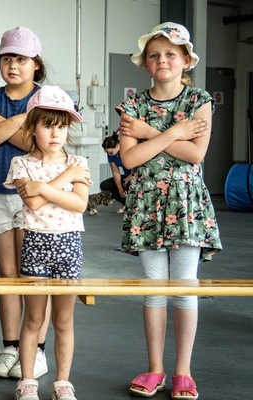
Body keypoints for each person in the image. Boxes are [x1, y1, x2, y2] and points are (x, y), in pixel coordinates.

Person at [117, 22, 222, 400]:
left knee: (185, 289)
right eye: (155, 55)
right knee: (154, 289)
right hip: (146, 202)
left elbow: (196, 154)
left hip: (186, 203)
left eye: (170, 54)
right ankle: (155, 368)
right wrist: (174, 133)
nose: (162, 60)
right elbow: (129, 157)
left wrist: (149, 133)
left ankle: (183, 372)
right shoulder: (132, 104)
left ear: (185, 61)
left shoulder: (199, 100)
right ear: (146, 63)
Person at [0, 26, 53, 379]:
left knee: (34, 276)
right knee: (7, 275)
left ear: (35, 64)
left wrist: (3, 122)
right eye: (7, 59)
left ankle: (38, 350)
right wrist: (20, 126)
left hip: (36, 197)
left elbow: (42, 147)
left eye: (21, 59)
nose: (13, 65)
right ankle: (11, 347)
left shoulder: (48, 99)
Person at [4, 86, 89, 400]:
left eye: (62, 126)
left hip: (69, 246)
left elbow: (80, 204)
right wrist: (63, 179)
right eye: (48, 125)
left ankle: (62, 382)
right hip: (35, 244)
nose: (56, 133)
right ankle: (27, 381)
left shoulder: (79, 162)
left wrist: (44, 187)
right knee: (34, 318)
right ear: (32, 126)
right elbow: (34, 206)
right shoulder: (21, 164)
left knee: (64, 319)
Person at [99, 132, 129, 213]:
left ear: (117, 146)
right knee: (105, 185)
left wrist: (128, 179)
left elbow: (138, 168)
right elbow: (115, 172)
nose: (109, 154)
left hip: (136, 176)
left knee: (127, 183)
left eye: (111, 152)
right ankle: (126, 204)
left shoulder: (126, 150)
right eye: (107, 153)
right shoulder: (111, 156)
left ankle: (134, 205)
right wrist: (120, 190)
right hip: (126, 177)